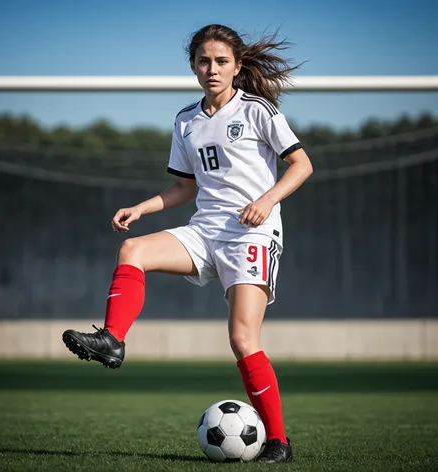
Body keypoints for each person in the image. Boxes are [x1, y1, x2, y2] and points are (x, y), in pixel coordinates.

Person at [63, 23, 313, 463]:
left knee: (241, 339)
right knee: (132, 250)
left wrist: (267, 199)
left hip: (252, 232)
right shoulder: (186, 120)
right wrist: (141, 208)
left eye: (220, 61)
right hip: (204, 230)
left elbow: (301, 165)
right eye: (203, 61)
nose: (211, 69)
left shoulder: (258, 110)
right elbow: (183, 188)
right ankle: (113, 340)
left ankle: (279, 442)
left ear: (237, 67)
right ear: (193, 66)